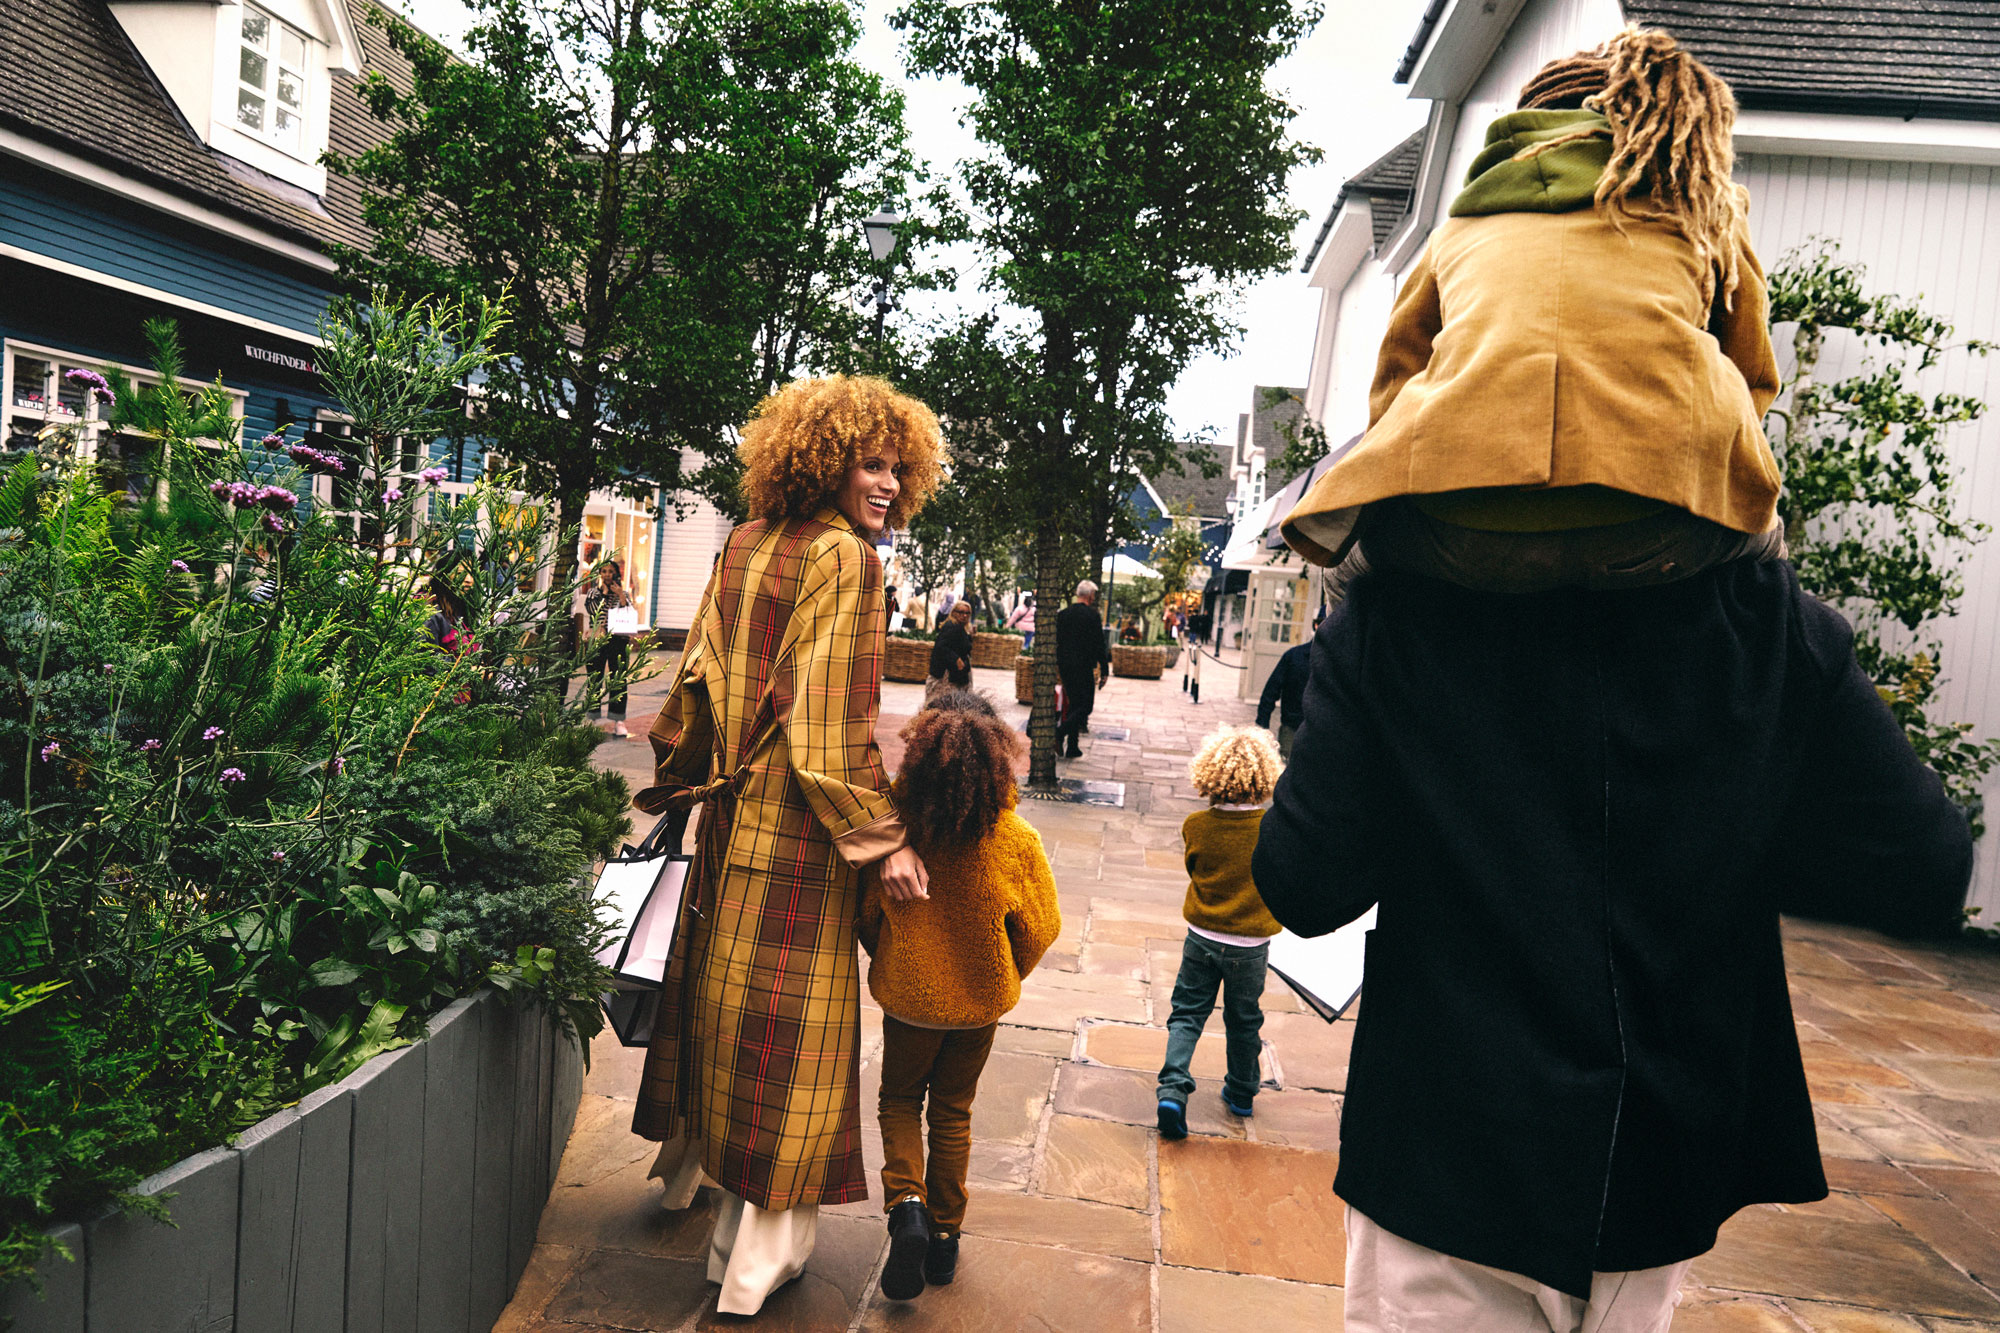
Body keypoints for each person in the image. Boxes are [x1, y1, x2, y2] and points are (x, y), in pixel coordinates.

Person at [631, 374, 944, 1316]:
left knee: (727, 1022)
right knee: (794, 1044)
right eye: (870, 462)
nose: (887, 483)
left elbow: (694, 687)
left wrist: (687, 778)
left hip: (730, 826)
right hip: (802, 843)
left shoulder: (742, 542)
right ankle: (756, 1265)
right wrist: (882, 837)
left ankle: (730, 1237)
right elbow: (825, 721)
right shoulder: (849, 560)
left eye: (897, 467)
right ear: (823, 459)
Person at [1281, 28, 1786, 597]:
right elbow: (1752, 376)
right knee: (1766, 548)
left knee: (1346, 572)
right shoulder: (1705, 213)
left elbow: (1396, 381)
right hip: (1658, 532)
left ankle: (1353, 676)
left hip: (1468, 534)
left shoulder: (1460, 232)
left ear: (1523, 130)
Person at [859, 690, 1061, 1301]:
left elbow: (867, 913)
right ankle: (944, 1241)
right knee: (952, 1112)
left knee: (898, 1100)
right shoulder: (1015, 840)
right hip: (977, 1007)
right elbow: (1040, 927)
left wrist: (891, 955)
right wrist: (1003, 971)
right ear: (998, 761)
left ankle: (908, 1208)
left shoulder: (897, 836)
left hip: (909, 1003)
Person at [1157, 725, 1284, 1139]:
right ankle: (1242, 1092)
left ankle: (1173, 1090)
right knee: (1244, 1019)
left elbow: (1196, 870)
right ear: (1264, 777)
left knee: (1188, 1013)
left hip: (1203, 936)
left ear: (1209, 774)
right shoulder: (1272, 829)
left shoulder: (1197, 825)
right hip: (1251, 945)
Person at [1053, 580, 1111, 758]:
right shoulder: (1092, 616)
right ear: (1091, 596)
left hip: (1065, 665)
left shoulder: (1063, 614)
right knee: (1085, 707)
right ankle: (1060, 733)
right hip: (1084, 666)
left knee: (1074, 705)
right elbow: (1099, 644)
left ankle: (1072, 746)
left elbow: (1057, 641)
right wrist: (1105, 669)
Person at [1255, 611, 1323, 759]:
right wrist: (1262, 728)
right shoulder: (1294, 656)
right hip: (1292, 729)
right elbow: (1271, 692)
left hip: (1323, 733)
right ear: (1316, 625)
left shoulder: (1341, 662)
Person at [581, 559, 634, 738]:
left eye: (610, 571)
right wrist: (604, 595)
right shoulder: (593, 593)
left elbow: (627, 613)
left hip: (618, 640)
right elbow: (593, 610)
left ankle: (618, 720)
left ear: (616, 574)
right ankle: (592, 716)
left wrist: (620, 595)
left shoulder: (624, 593)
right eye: (604, 571)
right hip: (597, 638)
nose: (607, 575)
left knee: (618, 678)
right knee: (594, 677)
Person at [929, 600, 975, 690]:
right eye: (961, 612)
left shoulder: (960, 627)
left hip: (956, 675)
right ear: (954, 613)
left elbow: (960, 645)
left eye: (967, 613)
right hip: (947, 676)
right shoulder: (952, 626)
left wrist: (970, 636)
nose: (965, 615)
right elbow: (941, 646)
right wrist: (956, 659)